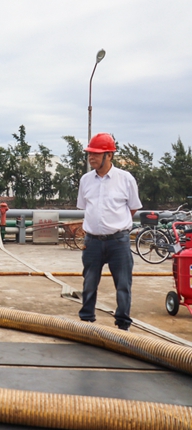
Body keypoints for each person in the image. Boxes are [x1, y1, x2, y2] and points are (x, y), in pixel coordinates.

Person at [77, 133, 142, 331]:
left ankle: (123, 324)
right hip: (92, 242)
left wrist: (116, 225)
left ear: (109, 155)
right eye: (90, 153)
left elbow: (133, 207)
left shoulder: (125, 179)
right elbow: (86, 207)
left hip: (118, 241)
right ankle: (87, 320)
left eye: (96, 154)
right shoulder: (86, 180)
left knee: (123, 284)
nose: (91, 157)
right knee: (89, 283)